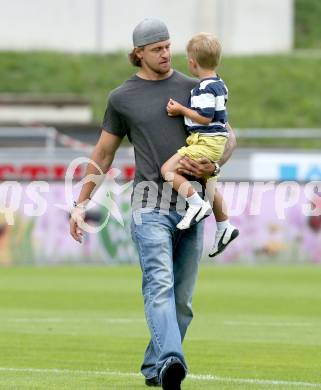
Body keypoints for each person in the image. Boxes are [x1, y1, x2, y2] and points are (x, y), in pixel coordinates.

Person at [69, 18, 236, 390]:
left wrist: (215, 162)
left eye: (168, 46)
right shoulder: (121, 98)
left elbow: (228, 136)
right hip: (148, 205)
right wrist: (80, 203)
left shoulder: (196, 87)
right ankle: (173, 361)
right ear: (138, 53)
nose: (165, 54)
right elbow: (103, 154)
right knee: (159, 285)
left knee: (182, 303)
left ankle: (154, 367)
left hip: (195, 203)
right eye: (157, 48)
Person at [161, 32, 239, 257]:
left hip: (206, 141)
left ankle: (195, 204)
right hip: (216, 141)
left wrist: (180, 110)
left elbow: (204, 117)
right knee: (208, 182)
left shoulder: (204, 87)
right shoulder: (219, 84)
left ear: (192, 63)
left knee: (167, 170)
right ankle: (225, 227)